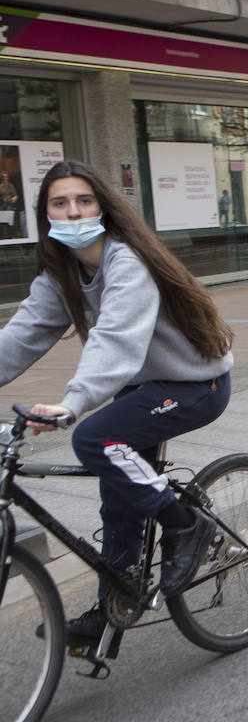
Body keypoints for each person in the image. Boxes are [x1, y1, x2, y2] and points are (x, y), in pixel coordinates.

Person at [0, 160, 234, 643]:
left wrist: (72, 403)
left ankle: (185, 524)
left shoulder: (126, 263)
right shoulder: (62, 274)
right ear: (45, 215)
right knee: (120, 499)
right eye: (60, 203)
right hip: (142, 388)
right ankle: (114, 606)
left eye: (83, 201)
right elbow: (20, 336)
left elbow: (115, 339)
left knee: (95, 437)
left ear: (102, 208)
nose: (73, 212)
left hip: (194, 385)